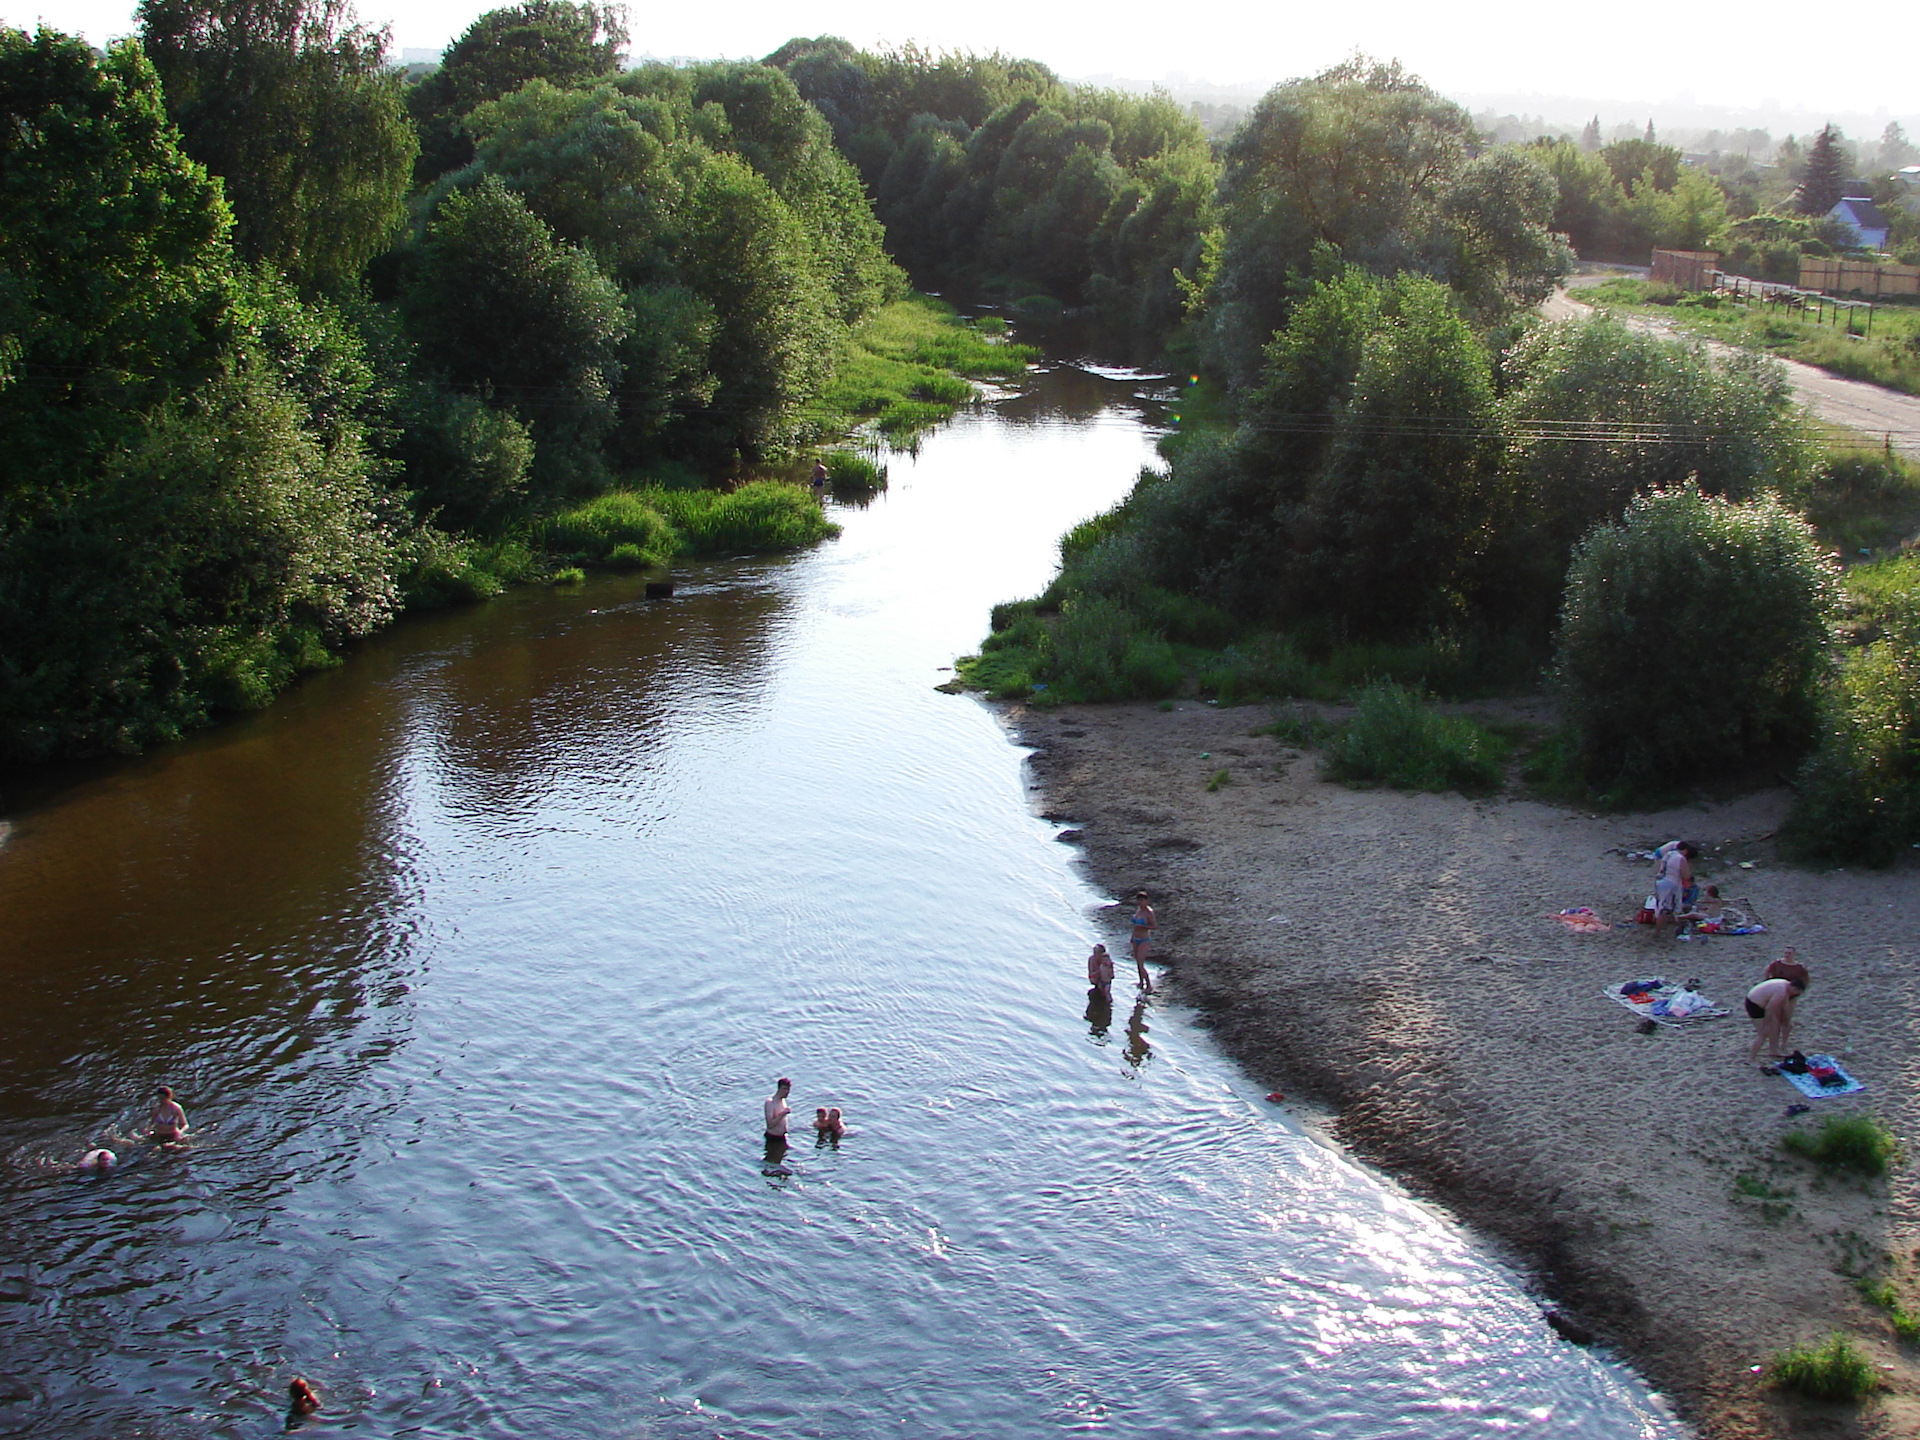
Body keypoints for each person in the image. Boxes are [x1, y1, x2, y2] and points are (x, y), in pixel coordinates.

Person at [1746, 974, 1807, 1064]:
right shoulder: (1781, 991)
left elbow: (1784, 1007)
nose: (1794, 996)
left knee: (1775, 1025)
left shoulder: (1786, 985)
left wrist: (1787, 1021)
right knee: (1763, 1033)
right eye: (1796, 994)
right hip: (1754, 1005)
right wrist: (1766, 1024)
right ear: (1795, 989)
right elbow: (1769, 1009)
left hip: (1762, 1002)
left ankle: (1773, 1050)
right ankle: (1751, 1059)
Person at [1651, 843, 1696, 939]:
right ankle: (1657, 932)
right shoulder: (1681, 858)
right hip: (1670, 884)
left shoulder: (1669, 853)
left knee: (1663, 905)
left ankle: (1675, 923)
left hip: (1660, 881)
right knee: (1665, 908)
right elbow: (1686, 876)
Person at [1128, 891, 1156, 992]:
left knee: (1140, 963)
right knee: (1137, 962)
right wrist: (1132, 937)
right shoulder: (1138, 910)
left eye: (1142, 900)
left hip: (1144, 939)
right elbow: (1134, 926)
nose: (1140, 902)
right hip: (1136, 938)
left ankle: (1148, 985)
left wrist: (1143, 926)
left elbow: (1154, 926)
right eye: (1139, 900)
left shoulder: (1149, 912)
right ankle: (1141, 982)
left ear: (1147, 901)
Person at [764, 1078, 792, 1159]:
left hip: (782, 1137)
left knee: (781, 1158)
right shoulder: (770, 1102)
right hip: (773, 1138)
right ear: (779, 1088)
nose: (786, 1092)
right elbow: (770, 1124)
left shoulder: (783, 1101)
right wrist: (783, 1113)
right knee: (772, 1161)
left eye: (788, 1089)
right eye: (784, 1089)